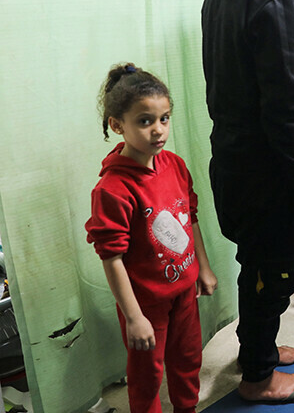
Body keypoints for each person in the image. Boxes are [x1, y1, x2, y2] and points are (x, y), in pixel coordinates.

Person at [200, 0, 294, 405]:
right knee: (275, 271)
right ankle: (258, 378)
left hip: (234, 159)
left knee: (254, 264)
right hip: (267, 172)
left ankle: (257, 349)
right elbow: (288, 105)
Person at [86, 63, 218, 413]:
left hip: (185, 293)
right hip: (146, 303)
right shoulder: (112, 190)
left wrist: (203, 268)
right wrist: (134, 317)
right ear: (118, 125)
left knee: (188, 361)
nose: (158, 130)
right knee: (147, 375)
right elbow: (111, 258)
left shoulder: (174, 164)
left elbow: (189, 219)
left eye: (164, 118)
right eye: (145, 121)